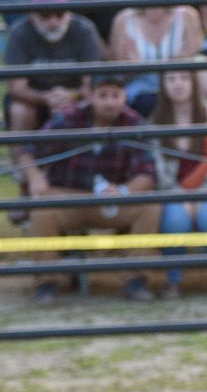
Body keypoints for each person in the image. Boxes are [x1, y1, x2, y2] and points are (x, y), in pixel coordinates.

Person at [24, 75, 157, 304]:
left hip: (112, 198)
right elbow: (27, 152)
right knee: (42, 208)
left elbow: (147, 173)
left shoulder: (134, 122)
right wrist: (35, 177)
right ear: (90, 96)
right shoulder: (68, 118)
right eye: (103, 96)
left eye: (115, 96)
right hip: (68, 197)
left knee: (150, 207)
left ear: (124, 97)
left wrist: (124, 190)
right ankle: (46, 283)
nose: (109, 102)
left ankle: (136, 280)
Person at [151, 66, 207, 297]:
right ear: (163, 86)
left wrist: (203, 192)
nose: (177, 84)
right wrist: (179, 194)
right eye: (171, 78)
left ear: (194, 82)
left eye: (183, 78)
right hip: (174, 192)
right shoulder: (156, 122)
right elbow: (157, 169)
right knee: (175, 220)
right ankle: (173, 281)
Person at [107, 0, 204, 116]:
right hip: (140, 91)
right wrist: (132, 68)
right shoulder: (123, 20)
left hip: (179, 88)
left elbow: (193, 60)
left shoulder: (187, 17)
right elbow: (119, 71)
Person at [4, 0, 103, 134]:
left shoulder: (84, 30)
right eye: (45, 15)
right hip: (33, 98)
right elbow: (17, 88)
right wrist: (46, 98)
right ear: (32, 15)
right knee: (20, 111)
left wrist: (71, 95)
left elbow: (90, 85)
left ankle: (87, 149)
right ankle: (21, 150)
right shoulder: (19, 33)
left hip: (74, 96)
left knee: (94, 103)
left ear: (69, 13)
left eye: (60, 14)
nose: (53, 22)